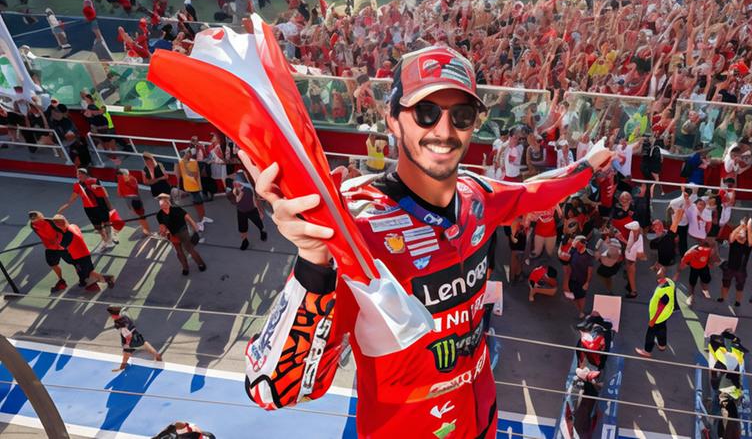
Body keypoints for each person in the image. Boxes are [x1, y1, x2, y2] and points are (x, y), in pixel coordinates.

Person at [242, 45, 615, 438]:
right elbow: (274, 390)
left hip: (480, 415)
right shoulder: (356, 224)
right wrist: (312, 260)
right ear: (392, 119)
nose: (443, 129)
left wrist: (587, 166)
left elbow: (531, 191)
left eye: (462, 115)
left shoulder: (478, 195)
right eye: (425, 112)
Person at [56, 168, 115, 253]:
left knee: (106, 223)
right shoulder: (77, 185)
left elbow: (104, 195)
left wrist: (110, 206)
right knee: (98, 227)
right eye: (77, 174)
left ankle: (109, 240)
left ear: (86, 174)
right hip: (89, 209)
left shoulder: (95, 181)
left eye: (80, 174)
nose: (78, 176)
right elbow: (72, 199)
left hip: (101, 206)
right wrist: (64, 207)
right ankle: (105, 240)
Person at [154, 193, 207, 276]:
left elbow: (187, 217)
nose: (161, 205)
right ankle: (186, 268)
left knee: (190, 249)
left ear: (168, 202)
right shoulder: (159, 215)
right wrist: (162, 231)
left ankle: (200, 264)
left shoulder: (176, 209)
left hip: (183, 232)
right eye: (160, 203)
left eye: (163, 202)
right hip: (172, 234)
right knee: (179, 252)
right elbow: (162, 226)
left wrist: (195, 226)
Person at [636, 267, 676, 358]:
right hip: (666, 313)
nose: (657, 276)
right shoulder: (670, 282)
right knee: (662, 328)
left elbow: (661, 306)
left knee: (651, 333)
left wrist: (653, 320)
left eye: (658, 274)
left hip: (658, 315)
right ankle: (662, 345)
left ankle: (647, 351)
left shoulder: (663, 290)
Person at [28, 210, 73, 293]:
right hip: (50, 247)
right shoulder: (33, 225)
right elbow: (41, 236)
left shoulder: (52, 222)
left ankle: (85, 277)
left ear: (41, 216)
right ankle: (61, 281)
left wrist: (61, 244)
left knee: (74, 262)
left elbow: (63, 232)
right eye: (33, 219)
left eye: (37, 218)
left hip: (62, 246)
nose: (35, 221)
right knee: (52, 264)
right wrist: (47, 245)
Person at [107, 306, 162, 371]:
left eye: (111, 314)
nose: (110, 316)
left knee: (126, 353)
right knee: (145, 345)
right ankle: (158, 357)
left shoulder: (119, 323)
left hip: (130, 340)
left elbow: (128, 335)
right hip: (136, 335)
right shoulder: (125, 317)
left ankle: (122, 366)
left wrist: (127, 344)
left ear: (113, 315)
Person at [719, 219, 752, 307]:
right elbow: (732, 235)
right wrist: (741, 226)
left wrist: (748, 227)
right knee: (725, 284)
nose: (740, 234)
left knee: (740, 287)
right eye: (739, 233)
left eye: (743, 233)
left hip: (741, 271)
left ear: (746, 237)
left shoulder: (747, 245)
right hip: (729, 268)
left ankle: (738, 301)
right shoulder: (733, 242)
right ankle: (723, 297)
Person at [227, 178, 267, 250]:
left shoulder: (248, 188)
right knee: (242, 229)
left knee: (259, 223)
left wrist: (259, 211)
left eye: (238, 181)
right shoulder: (233, 191)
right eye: (234, 182)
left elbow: (254, 200)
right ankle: (245, 241)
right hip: (241, 212)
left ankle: (262, 232)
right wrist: (238, 194)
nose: (236, 183)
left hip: (252, 210)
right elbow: (235, 202)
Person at [176, 150, 211, 226]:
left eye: (189, 153)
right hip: (190, 187)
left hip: (196, 186)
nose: (188, 155)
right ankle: (201, 220)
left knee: (200, 202)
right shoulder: (180, 163)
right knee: (197, 203)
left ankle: (203, 217)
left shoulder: (193, 162)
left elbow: (195, 174)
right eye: (186, 154)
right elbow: (179, 174)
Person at [679, 238, 716, 306]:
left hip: (704, 267)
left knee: (705, 280)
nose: (706, 250)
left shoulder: (709, 249)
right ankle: (690, 297)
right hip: (694, 268)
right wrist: (679, 270)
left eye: (708, 249)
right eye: (704, 249)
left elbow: (710, 256)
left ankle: (704, 290)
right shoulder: (692, 252)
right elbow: (684, 261)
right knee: (692, 283)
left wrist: (711, 263)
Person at [116, 169, 153, 238]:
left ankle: (147, 230)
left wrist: (127, 184)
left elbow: (135, 190)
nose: (120, 178)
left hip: (135, 200)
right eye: (119, 177)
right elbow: (119, 194)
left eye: (121, 176)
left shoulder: (132, 179)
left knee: (141, 216)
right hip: (129, 201)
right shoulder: (120, 181)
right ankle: (145, 229)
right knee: (138, 216)